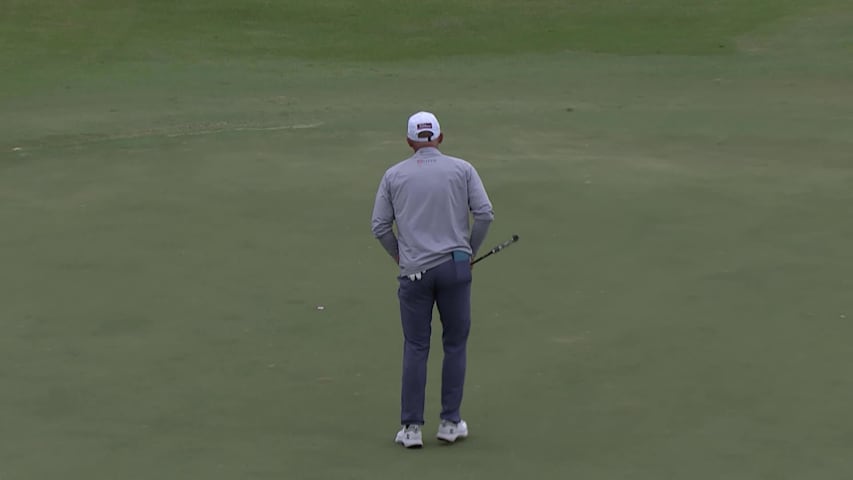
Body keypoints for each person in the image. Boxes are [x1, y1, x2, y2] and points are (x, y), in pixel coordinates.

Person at [371, 111, 495, 448]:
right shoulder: (462, 169)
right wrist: (468, 252)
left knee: (416, 346)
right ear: (440, 137)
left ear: (410, 141)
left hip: (413, 272)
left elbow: (380, 226)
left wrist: (400, 256)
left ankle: (411, 429)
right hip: (455, 268)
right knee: (454, 344)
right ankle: (450, 423)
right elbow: (484, 213)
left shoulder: (394, 175)